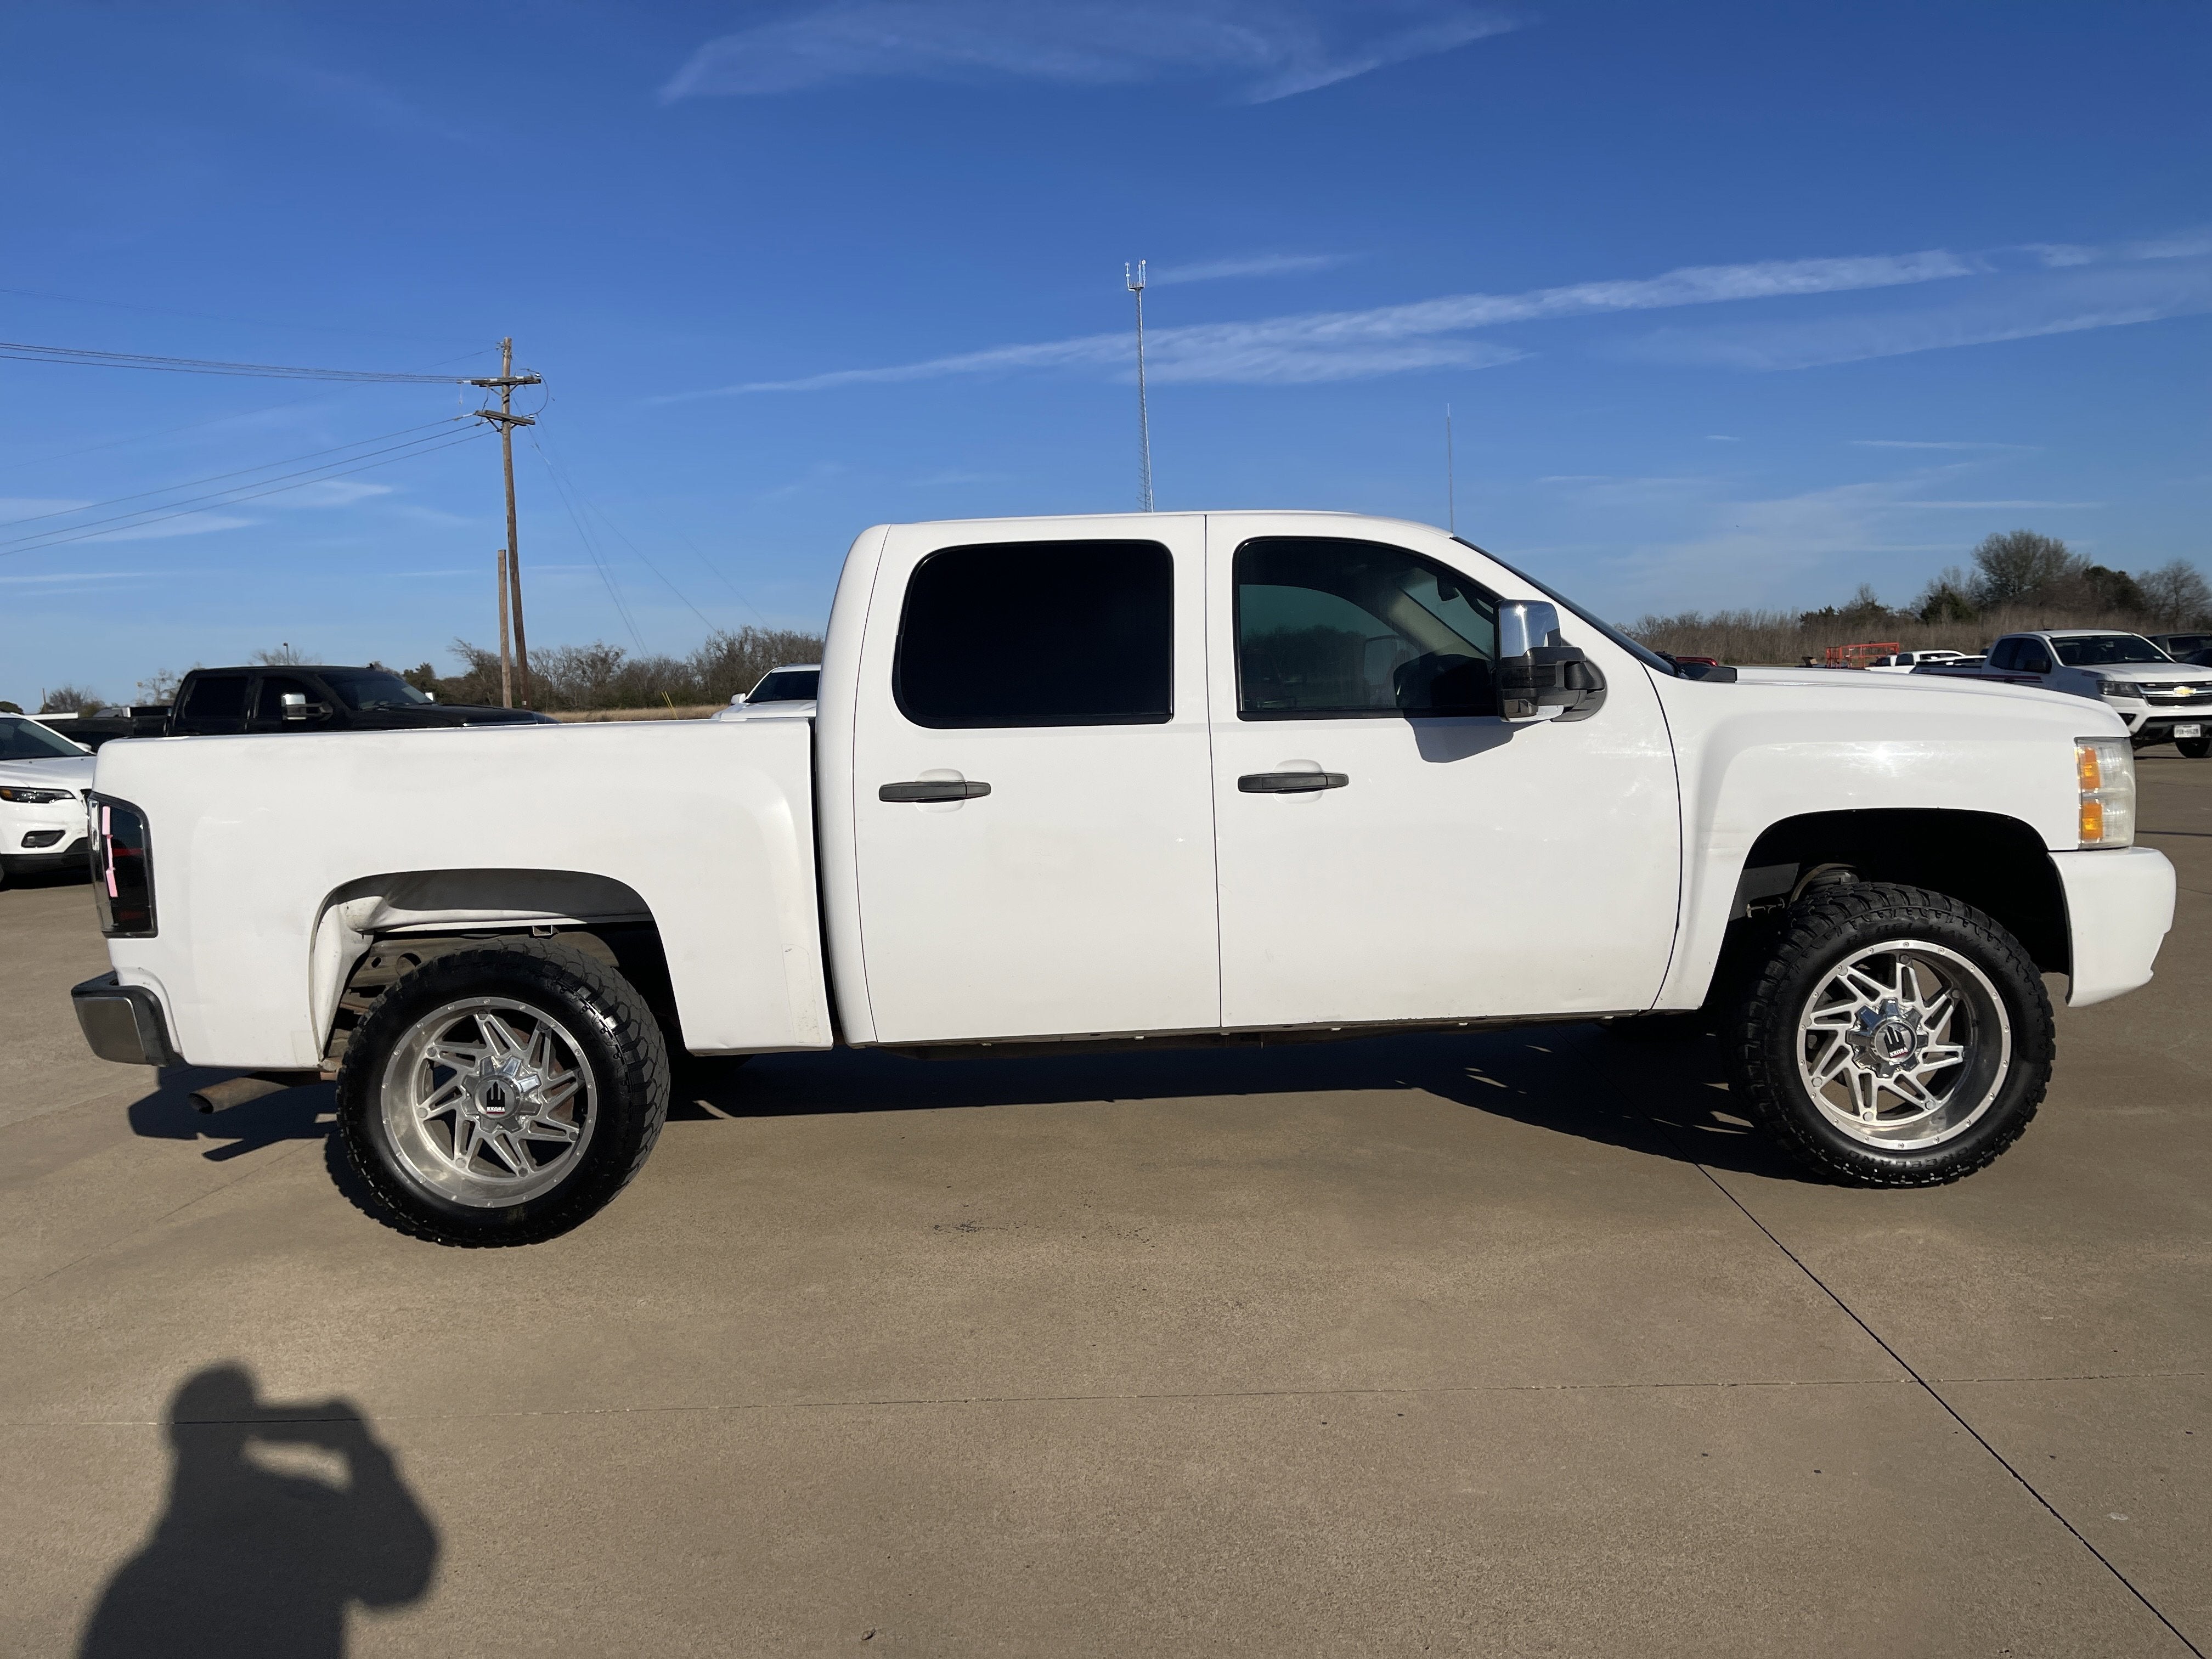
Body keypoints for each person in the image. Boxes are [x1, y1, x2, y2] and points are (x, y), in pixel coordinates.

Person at [80, 1364, 438, 1658]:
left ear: (176, 1439)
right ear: (252, 1424)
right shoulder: (305, 1512)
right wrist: (360, 1451)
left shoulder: (139, 1586)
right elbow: (403, 1574)